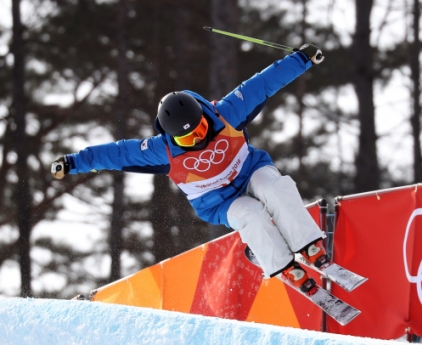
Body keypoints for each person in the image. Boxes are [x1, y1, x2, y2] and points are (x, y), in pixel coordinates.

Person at [51, 44, 329, 293]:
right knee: (251, 214)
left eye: (200, 130)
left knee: (273, 187)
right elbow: (116, 153)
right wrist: (73, 161)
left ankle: (309, 243)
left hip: (251, 170)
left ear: (204, 115)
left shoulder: (228, 112)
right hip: (219, 202)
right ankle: (281, 264)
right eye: (187, 138)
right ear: (172, 137)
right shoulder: (163, 150)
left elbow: (264, 82)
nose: (197, 140)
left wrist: (302, 58)